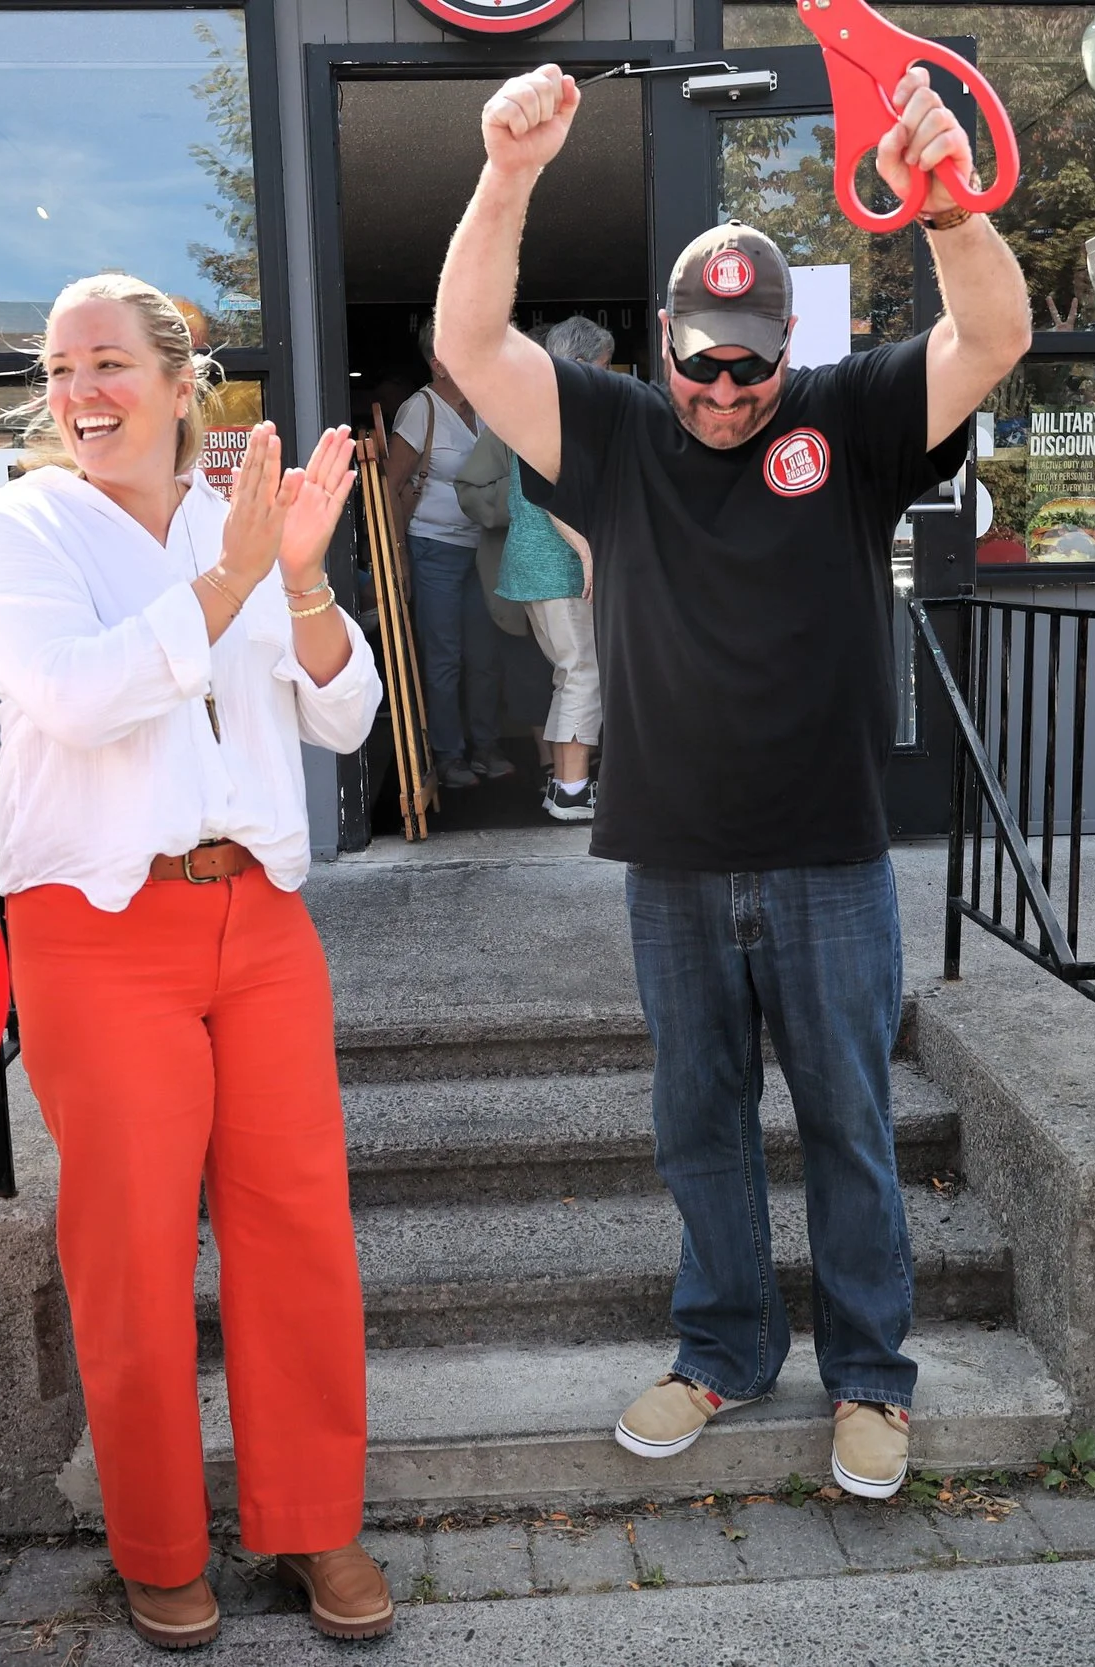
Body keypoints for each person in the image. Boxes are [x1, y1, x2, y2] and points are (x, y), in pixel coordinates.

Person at [433, 66, 1032, 1497]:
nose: (721, 391)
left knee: (849, 1123)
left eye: (747, 366)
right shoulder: (614, 433)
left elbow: (995, 333)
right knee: (699, 1123)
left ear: (786, 346)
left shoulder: (853, 418)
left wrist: (947, 205)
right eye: (700, 363)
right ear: (666, 343)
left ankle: (871, 1377)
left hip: (829, 855)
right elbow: (468, 341)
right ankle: (723, 1349)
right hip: (674, 858)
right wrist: (507, 175)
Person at [0, 274, 390, 1650]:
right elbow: (75, 696)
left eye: (107, 361)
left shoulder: (237, 520)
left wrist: (301, 578)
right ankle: (157, 1542)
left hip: (257, 916)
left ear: (177, 376)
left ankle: (313, 1516)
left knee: (298, 1228)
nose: (79, 390)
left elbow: (345, 713)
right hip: (98, 926)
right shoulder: (21, 527)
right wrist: (231, 580)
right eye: (60, 366)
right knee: (131, 1246)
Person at [455, 313, 609, 821]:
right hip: (556, 565)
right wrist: (586, 550)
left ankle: (564, 786)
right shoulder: (562, 415)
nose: (606, 379)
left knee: (570, 674)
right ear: (581, 363)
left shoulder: (532, 407)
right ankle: (572, 789)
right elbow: (554, 493)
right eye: (603, 367)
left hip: (531, 566)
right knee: (582, 673)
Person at [385, 319, 510, 789]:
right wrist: (399, 556)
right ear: (438, 364)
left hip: (486, 547)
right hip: (433, 547)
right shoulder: (420, 409)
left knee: (485, 655)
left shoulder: (486, 403)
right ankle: (449, 756)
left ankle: (486, 747)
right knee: (444, 658)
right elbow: (391, 486)